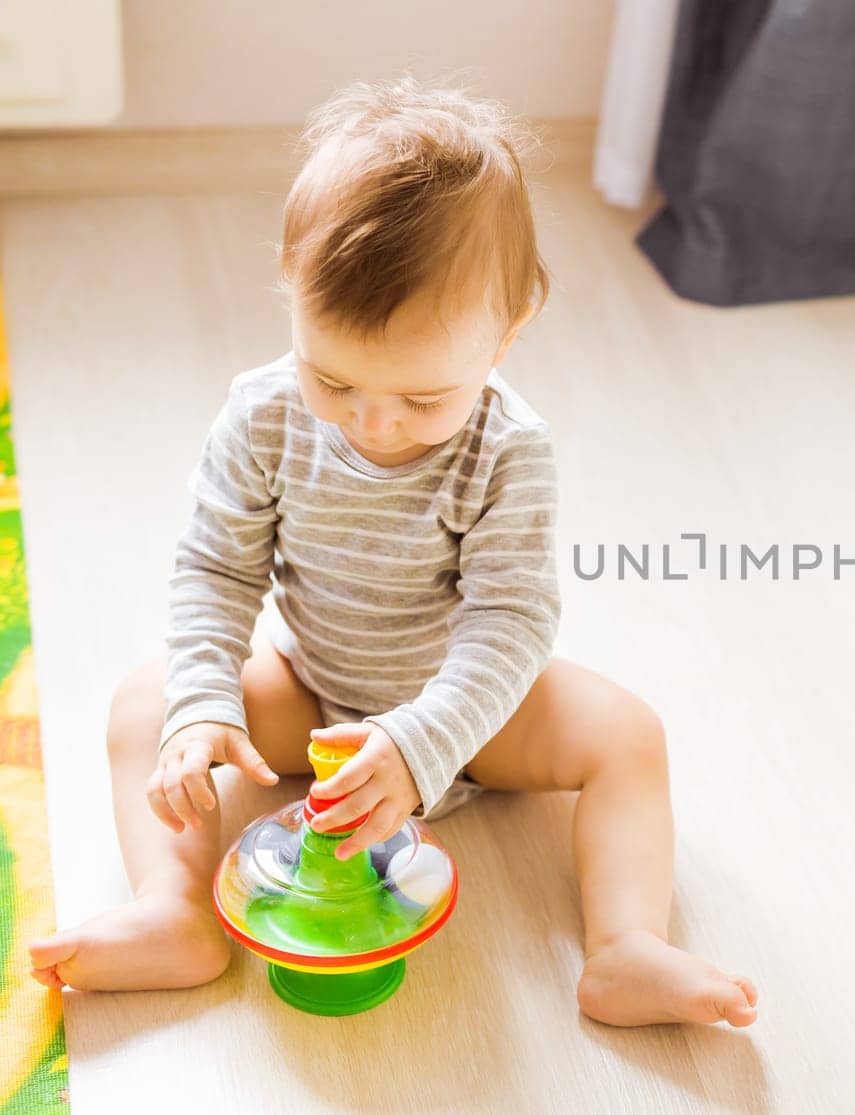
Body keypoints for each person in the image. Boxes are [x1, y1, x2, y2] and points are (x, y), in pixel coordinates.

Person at [27, 76, 758, 1029]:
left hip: (470, 719)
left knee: (628, 735)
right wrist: (202, 709)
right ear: (291, 297)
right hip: (315, 689)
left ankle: (626, 948)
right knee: (144, 701)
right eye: (331, 376)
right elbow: (216, 570)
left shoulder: (510, 448)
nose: (374, 423)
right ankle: (172, 911)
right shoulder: (261, 414)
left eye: (421, 399)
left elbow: (512, 621)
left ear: (510, 330)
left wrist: (422, 743)